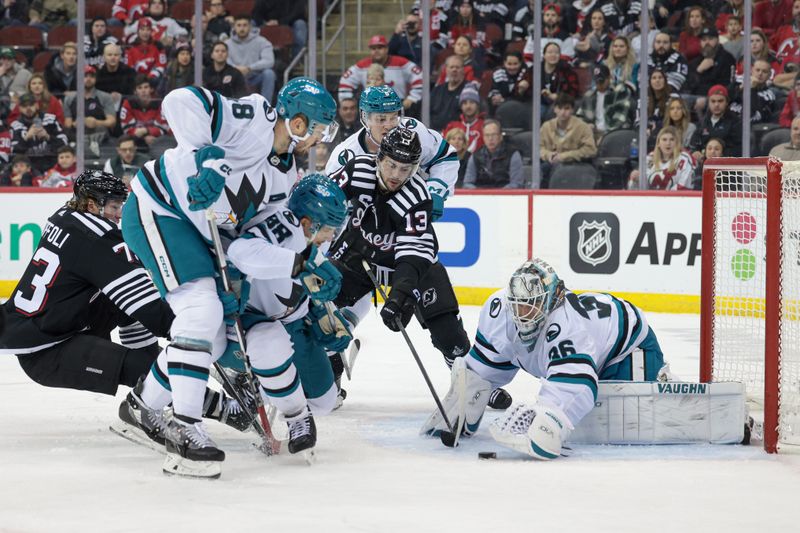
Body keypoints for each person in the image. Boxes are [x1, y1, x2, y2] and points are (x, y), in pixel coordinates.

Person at [119, 78, 339, 478]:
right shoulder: (254, 116)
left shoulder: (284, 177)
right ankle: (184, 428)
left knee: (213, 336)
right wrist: (206, 156)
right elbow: (180, 100)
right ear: (299, 120)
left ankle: (143, 404)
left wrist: (292, 263)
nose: (320, 139)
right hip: (160, 207)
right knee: (199, 309)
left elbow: (248, 240)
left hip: (205, 237)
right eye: (320, 128)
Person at [329, 126, 512, 409]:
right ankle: (328, 375)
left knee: (447, 328)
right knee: (322, 308)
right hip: (359, 255)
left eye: (405, 169)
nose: (396, 175)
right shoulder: (356, 170)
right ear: (379, 158)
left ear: (416, 168)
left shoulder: (417, 197)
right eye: (391, 165)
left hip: (410, 265)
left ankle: (475, 381)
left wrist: (400, 295)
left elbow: (413, 255)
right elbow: (323, 199)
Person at [421, 258, 666, 460]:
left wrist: (547, 417)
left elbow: (576, 387)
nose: (522, 314)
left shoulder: (568, 325)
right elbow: (486, 365)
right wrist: (466, 396)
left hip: (628, 348)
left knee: (624, 426)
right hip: (595, 346)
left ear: (551, 300)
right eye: (518, 305)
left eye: (531, 305)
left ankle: (661, 377)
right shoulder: (499, 310)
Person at [0, 170, 173, 397]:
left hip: (57, 321)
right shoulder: (98, 238)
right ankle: (221, 409)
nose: (119, 214)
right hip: (49, 348)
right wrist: (187, 333)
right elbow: (147, 306)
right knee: (155, 371)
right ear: (92, 206)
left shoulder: (64, 215)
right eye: (113, 207)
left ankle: (151, 364)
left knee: (126, 302)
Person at [216, 174, 350, 456]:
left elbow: (307, 285)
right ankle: (252, 383)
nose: (332, 237)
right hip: (258, 323)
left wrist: (322, 314)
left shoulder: (314, 237)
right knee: (269, 347)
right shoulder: (283, 227)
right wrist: (300, 264)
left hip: (294, 320)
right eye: (329, 230)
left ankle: (266, 390)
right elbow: (241, 252)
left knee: (326, 402)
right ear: (307, 223)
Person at [325, 85, 457, 222]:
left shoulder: (413, 134)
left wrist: (436, 190)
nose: (389, 126)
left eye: (394, 117)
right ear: (365, 118)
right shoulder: (345, 155)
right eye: (381, 119)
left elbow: (445, 157)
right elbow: (334, 206)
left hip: (407, 219)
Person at [337, 34, 423, 113]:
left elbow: (420, 76)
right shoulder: (361, 66)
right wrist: (347, 102)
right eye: (373, 48)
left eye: (380, 47)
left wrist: (412, 98)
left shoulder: (401, 63)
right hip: (371, 107)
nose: (376, 51)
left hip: (399, 107)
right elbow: (345, 82)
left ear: (387, 49)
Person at [539, 92, 597, 188]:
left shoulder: (582, 127)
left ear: (572, 110)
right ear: (555, 109)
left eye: (566, 108)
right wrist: (549, 155)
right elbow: (539, 148)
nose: (563, 112)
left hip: (577, 166)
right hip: (551, 166)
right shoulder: (546, 126)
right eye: (560, 108)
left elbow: (591, 150)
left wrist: (564, 156)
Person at [10, 92, 68, 172]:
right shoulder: (16, 125)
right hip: (28, 168)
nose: (28, 108)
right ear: (19, 108)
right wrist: (26, 137)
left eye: (31, 105)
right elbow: (14, 151)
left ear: (36, 105)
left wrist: (48, 137)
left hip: (52, 164)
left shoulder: (51, 120)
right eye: (24, 106)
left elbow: (64, 144)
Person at [63, 66, 116, 153]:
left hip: (98, 134)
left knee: (103, 131)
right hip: (77, 135)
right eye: (85, 76)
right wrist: (76, 123)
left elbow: (112, 121)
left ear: (95, 79)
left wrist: (96, 122)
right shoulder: (70, 98)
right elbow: (67, 123)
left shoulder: (105, 97)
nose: (88, 79)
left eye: (91, 76)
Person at [576, 63, 636, 140]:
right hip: (593, 134)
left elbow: (620, 119)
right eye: (596, 81)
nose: (599, 84)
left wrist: (606, 136)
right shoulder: (589, 95)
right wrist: (587, 126)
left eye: (601, 81)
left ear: (609, 78)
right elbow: (579, 116)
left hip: (614, 134)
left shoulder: (619, 92)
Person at [226, 15, 277, 102]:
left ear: (250, 26)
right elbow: (224, 61)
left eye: (245, 25)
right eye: (239, 25)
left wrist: (249, 68)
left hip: (255, 76)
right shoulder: (227, 43)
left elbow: (269, 61)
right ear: (234, 27)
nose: (242, 28)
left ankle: (265, 107)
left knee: (269, 74)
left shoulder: (262, 41)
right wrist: (236, 69)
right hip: (235, 76)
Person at [629, 126, 695, 190]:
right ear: (658, 143)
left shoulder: (685, 159)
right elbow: (635, 188)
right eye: (664, 139)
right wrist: (637, 179)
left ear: (677, 143)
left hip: (675, 200)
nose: (668, 143)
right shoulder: (649, 158)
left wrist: (663, 197)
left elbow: (685, 186)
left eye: (672, 139)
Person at [463, 119, 524, 189]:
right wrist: (481, 194)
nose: (490, 138)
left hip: (505, 197)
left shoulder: (513, 154)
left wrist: (496, 195)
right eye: (487, 135)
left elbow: (516, 184)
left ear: (500, 136)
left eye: (494, 135)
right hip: (481, 197)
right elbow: (468, 183)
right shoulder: (475, 156)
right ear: (483, 137)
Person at [686, 27, 736, 109]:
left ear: (717, 40)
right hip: (695, 98)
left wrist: (708, 99)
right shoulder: (696, 61)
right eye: (704, 40)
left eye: (710, 39)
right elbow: (688, 85)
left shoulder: (727, 58)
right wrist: (699, 70)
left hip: (717, 99)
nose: (707, 43)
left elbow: (728, 86)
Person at [689, 84, 742, 157]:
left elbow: (739, 148)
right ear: (708, 103)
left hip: (726, 164)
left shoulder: (735, 122)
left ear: (726, 102)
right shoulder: (704, 121)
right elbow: (694, 142)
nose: (716, 104)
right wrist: (695, 152)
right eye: (713, 101)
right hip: (704, 163)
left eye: (720, 101)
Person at [119, 75, 167, 149]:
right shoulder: (128, 103)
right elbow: (127, 128)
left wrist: (146, 130)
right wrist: (144, 138)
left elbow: (163, 127)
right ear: (135, 91)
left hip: (156, 140)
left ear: (151, 89)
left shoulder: (160, 103)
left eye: (146, 87)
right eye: (140, 88)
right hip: (136, 141)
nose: (143, 91)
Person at [728, 58, 777, 124]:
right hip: (728, 121)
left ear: (769, 75)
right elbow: (724, 97)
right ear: (752, 70)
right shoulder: (738, 82)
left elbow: (751, 112)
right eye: (757, 70)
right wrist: (740, 88)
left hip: (748, 126)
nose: (760, 74)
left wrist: (751, 88)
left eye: (764, 71)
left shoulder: (769, 95)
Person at [444, 84, 485, 153]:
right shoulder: (452, 126)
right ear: (461, 106)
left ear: (477, 105)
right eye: (465, 103)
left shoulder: (484, 126)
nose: (468, 106)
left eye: (472, 102)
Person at [430, 56, 467, 131]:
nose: (454, 70)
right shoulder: (437, 90)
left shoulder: (468, 90)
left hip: (456, 134)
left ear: (463, 70)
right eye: (451, 67)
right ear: (446, 69)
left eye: (457, 67)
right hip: (435, 133)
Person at [0, 46, 32, 117]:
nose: (6, 62)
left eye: (9, 59)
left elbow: (32, 93)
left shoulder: (25, 73)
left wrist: (20, 97)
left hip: (20, 110)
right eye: (3, 59)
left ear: (14, 60)